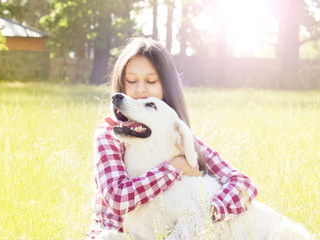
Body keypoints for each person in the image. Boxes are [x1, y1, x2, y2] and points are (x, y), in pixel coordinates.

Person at [86, 37, 258, 239]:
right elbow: (117, 198)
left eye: (151, 81)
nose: (141, 89)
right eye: (131, 81)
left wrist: (208, 213)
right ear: (121, 84)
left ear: (166, 87)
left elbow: (243, 184)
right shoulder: (109, 136)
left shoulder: (176, 135)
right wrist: (172, 169)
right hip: (114, 234)